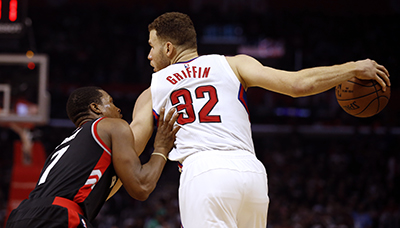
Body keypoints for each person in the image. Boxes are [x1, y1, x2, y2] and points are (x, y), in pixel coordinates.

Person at [129, 12, 391, 228]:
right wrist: (354, 67)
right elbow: (298, 84)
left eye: (151, 47)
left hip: (204, 172)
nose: (149, 56)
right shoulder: (234, 64)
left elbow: (129, 150)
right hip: (251, 173)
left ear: (168, 47)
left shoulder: (152, 90)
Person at [6, 86, 180, 228]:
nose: (118, 108)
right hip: (58, 215)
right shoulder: (111, 126)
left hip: (19, 217)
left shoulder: (69, 147)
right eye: (111, 102)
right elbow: (141, 186)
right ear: (96, 108)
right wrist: (161, 148)